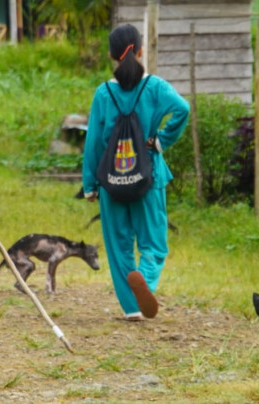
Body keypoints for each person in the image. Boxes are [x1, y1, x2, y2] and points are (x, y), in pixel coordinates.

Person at [82, 24, 189, 322]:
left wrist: (90, 185)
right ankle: (145, 277)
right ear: (141, 50)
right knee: (153, 243)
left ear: (111, 55)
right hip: (148, 176)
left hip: (111, 181)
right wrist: (161, 140)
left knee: (118, 245)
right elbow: (183, 109)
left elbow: (92, 141)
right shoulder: (154, 87)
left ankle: (131, 308)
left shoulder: (103, 93)